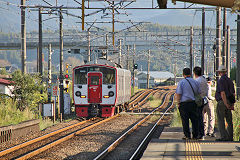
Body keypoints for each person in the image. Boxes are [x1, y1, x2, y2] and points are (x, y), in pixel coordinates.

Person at [176, 68, 200, 139]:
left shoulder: (182, 82)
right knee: (194, 120)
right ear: (190, 74)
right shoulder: (195, 82)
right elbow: (198, 92)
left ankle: (187, 135)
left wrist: (178, 102)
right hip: (193, 103)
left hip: (184, 104)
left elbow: (179, 93)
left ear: (183, 74)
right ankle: (195, 135)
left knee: (185, 120)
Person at [215, 65, 235, 141]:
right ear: (226, 72)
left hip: (222, 102)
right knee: (229, 121)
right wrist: (232, 105)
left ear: (220, 72)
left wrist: (226, 104)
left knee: (221, 119)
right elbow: (233, 93)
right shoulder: (230, 80)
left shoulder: (220, 81)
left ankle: (224, 137)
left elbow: (222, 93)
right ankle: (230, 137)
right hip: (230, 101)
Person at [193, 66, 208, 140]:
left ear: (194, 73)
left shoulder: (196, 81)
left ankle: (200, 133)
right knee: (201, 117)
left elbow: (195, 91)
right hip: (204, 100)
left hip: (198, 100)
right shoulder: (204, 80)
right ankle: (202, 133)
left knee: (198, 117)